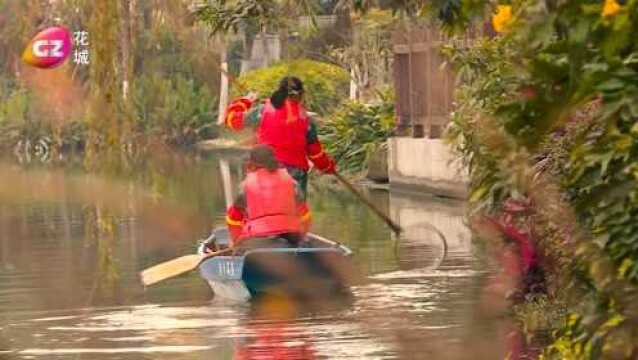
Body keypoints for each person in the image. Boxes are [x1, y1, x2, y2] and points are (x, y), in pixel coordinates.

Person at [224, 76, 336, 199]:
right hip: (295, 175)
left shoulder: (262, 111)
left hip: (264, 171)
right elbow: (316, 154)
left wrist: (245, 101)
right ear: (301, 95)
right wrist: (328, 167)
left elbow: (232, 120)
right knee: (295, 213)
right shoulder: (306, 119)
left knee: (262, 211)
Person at [226, 145, 311, 247]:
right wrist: (301, 237)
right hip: (291, 237)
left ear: (251, 164)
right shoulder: (291, 182)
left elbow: (233, 219)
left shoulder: (246, 185)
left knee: (243, 246)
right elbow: (305, 215)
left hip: (257, 238)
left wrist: (236, 243)